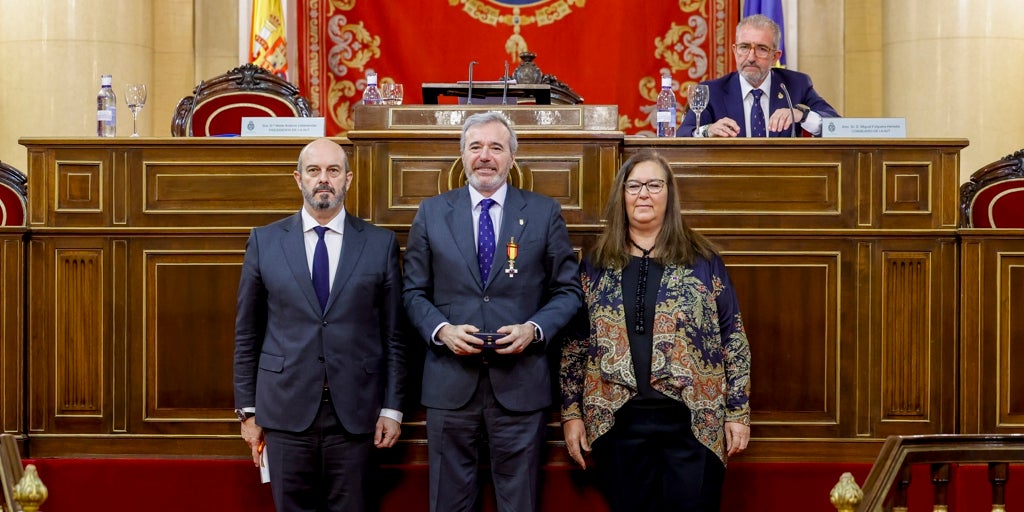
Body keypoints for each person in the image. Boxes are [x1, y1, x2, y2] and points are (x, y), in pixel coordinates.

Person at [402, 111, 582, 512]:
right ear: (462, 155)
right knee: (448, 503)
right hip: (449, 384)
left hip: (521, 384)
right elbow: (412, 292)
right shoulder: (431, 213)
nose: (485, 156)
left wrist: (534, 329)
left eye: (496, 147)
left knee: (519, 503)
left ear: (512, 158)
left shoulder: (543, 212)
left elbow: (568, 291)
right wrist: (442, 330)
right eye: (476, 146)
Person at [560, 151, 751, 511]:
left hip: (694, 422)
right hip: (617, 422)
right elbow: (575, 345)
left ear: (669, 194)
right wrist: (572, 414)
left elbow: (733, 338)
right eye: (633, 186)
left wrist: (737, 413)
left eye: (653, 185)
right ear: (622, 195)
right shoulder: (596, 263)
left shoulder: (703, 260)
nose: (643, 194)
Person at [233, 137, 406, 512]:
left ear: (348, 179)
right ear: (298, 179)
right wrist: (248, 411)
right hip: (283, 412)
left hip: (358, 415)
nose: (323, 179)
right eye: (313, 171)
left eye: (333, 170)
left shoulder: (380, 244)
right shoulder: (264, 242)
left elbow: (395, 336)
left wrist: (392, 409)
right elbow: (247, 333)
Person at [678, 14, 839, 138]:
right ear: (734, 51)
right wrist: (708, 130)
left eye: (761, 49)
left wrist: (802, 116)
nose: (751, 57)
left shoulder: (796, 85)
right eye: (744, 47)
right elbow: (683, 134)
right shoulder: (714, 91)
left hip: (784, 178)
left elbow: (836, 125)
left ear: (775, 56)